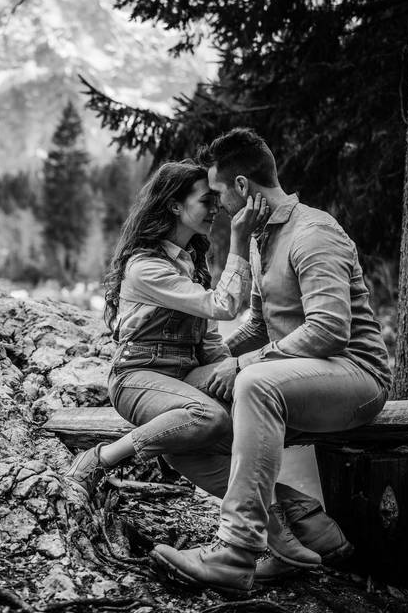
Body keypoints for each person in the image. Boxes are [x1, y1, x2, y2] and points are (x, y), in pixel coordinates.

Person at [150, 128, 392, 594]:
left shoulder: (314, 232)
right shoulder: (263, 238)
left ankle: (236, 552)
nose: (217, 206)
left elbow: (329, 330)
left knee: (254, 384)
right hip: (297, 377)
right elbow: (260, 324)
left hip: (357, 378)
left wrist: (243, 367)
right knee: (182, 408)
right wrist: (210, 366)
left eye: (219, 193)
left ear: (242, 187)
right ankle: (294, 529)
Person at [64, 160, 268, 494]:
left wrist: (235, 370)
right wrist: (240, 240)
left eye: (216, 199)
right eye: (206, 200)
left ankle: (274, 513)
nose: (216, 207)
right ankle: (101, 459)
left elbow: (210, 340)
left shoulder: (190, 262)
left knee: (252, 400)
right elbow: (223, 306)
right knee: (209, 416)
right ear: (174, 205)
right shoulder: (145, 267)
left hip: (182, 376)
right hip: (136, 378)